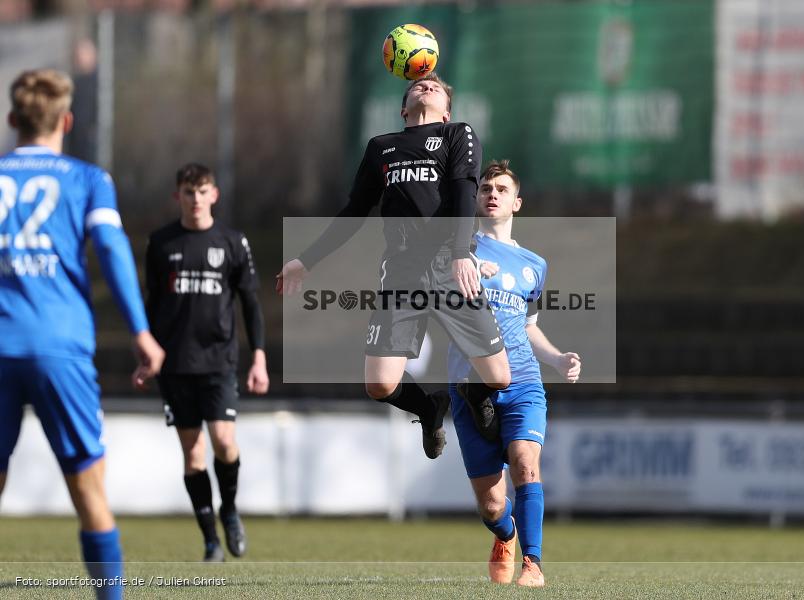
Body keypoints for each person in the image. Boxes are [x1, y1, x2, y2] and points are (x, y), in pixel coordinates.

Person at [277, 73, 511, 458]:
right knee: (380, 385)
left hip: (450, 265)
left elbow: (464, 195)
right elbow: (354, 212)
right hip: (402, 272)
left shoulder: (458, 135)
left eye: (437, 88)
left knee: (499, 377)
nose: (428, 86)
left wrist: (459, 253)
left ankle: (474, 392)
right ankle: (428, 407)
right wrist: (306, 260)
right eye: (419, 85)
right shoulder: (381, 147)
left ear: (448, 111)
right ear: (404, 108)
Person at [0, 69, 165, 600]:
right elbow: (113, 252)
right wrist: (141, 331)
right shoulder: (89, 179)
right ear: (66, 120)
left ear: (11, 120)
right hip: (61, 347)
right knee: (90, 491)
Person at [447, 160, 581, 588]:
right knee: (491, 505)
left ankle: (534, 563)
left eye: (501, 189)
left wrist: (557, 359)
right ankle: (505, 535)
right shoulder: (456, 252)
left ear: (516, 202)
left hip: (523, 381)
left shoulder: (534, 265)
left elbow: (528, 325)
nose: (492, 193)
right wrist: (462, 273)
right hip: (470, 387)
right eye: (485, 187)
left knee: (526, 464)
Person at [145, 163, 269, 562]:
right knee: (193, 455)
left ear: (213, 195)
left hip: (219, 361)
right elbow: (152, 306)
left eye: (202, 191)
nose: (195, 199)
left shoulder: (232, 242)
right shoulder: (161, 243)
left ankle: (229, 509)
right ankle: (210, 541)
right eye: (187, 191)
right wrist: (145, 353)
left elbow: (250, 303)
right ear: (176, 196)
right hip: (175, 364)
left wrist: (259, 359)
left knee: (224, 442)